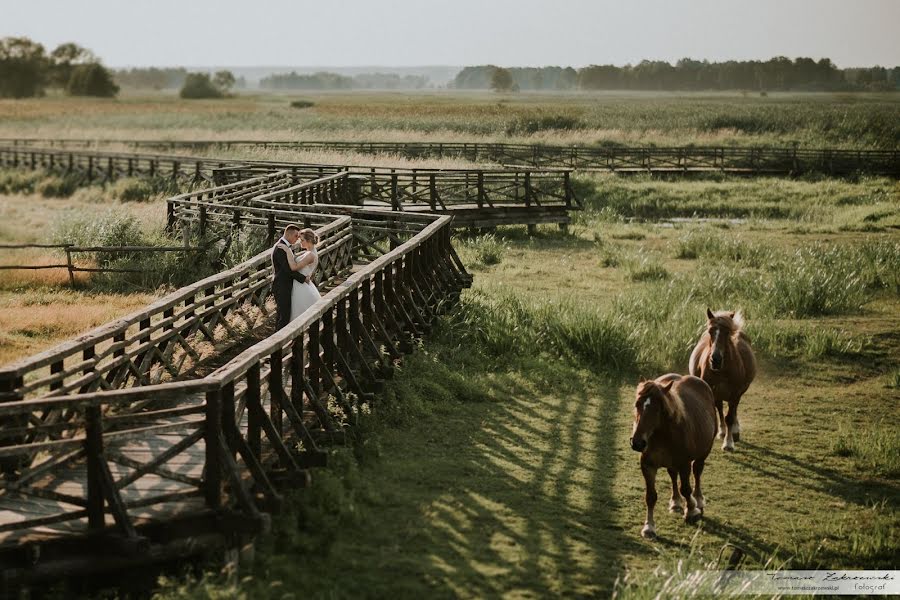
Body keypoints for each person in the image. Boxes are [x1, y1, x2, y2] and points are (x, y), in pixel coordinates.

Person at [282, 227, 322, 321]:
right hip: (300, 283)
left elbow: (294, 267)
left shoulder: (310, 255)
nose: (300, 242)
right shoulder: (308, 252)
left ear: (309, 241)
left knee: (299, 315)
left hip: (301, 286)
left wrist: (287, 251)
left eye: (302, 240)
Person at [271, 224, 307, 330]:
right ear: (289, 234)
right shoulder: (281, 248)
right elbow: (288, 270)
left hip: (285, 285)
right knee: (284, 315)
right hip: (281, 285)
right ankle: (278, 341)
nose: (297, 239)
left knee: (283, 314)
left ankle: (278, 340)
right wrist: (303, 278)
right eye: (296, 236)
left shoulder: (285, 247)